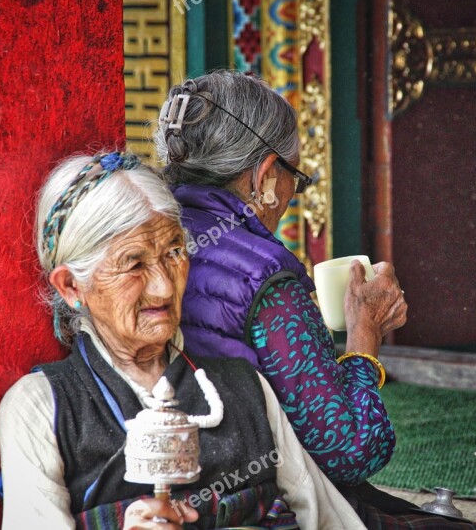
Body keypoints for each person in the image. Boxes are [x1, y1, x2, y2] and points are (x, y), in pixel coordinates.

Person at [0, 151, 367, 529]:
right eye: (134, 263)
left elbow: (327, 519)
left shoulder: (244, 386)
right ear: (72, 286)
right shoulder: (41, 409)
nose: (162, 287)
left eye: (175, 252)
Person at [154, 71, 407, 488]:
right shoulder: (266, 279)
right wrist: (366, 331)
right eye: (295, 178)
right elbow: (350, 452)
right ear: (266, 175)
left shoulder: (142, 235)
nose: (291, 194)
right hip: (247, 502)